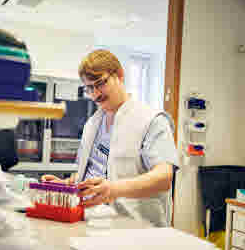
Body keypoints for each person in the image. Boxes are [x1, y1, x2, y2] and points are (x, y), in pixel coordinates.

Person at [42, 49, 179, 227]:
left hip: (138, 229)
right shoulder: (93, 123)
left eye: (101, 83)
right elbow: (92, 172)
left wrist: (113, 189)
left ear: (120, 75)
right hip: (92, 222)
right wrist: (67, 184)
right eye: (89, 88)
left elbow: (163, 178)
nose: (95, 94)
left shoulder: (152, 120)